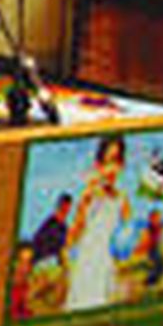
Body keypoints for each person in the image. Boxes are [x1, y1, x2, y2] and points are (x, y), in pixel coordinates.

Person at [65, 133, 132, 312]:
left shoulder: (122, 200)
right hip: (86, 267)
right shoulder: (89, 196)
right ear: (98, 165)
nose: (111, 169)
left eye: (116, 162)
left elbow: (126, 239)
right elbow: (71, 240)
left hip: (107, 267)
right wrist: (84, 205)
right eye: (107, 162)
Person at [30, 192, 74, 267]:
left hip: (47, 260)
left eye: (69, 206)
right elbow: (39, 241)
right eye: (67, 206)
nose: (68, 209)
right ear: (62, 205)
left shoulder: (62, 226)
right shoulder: (52, 224)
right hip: (41, 260)